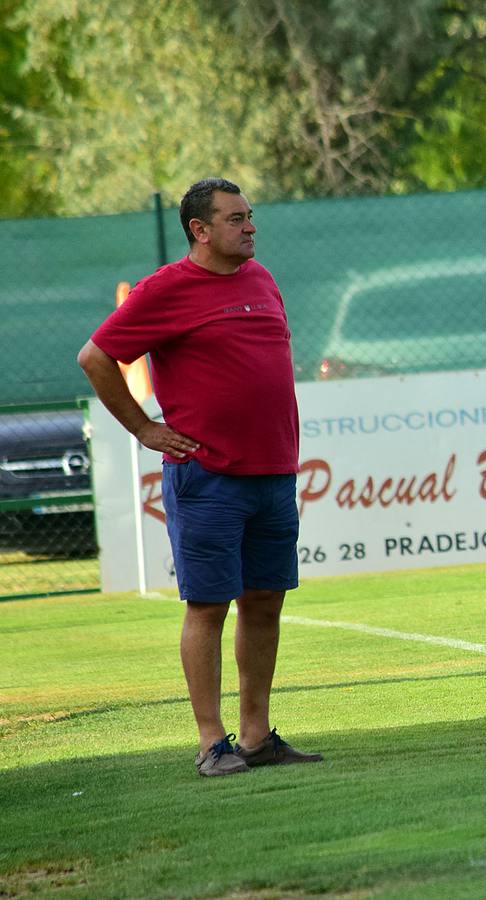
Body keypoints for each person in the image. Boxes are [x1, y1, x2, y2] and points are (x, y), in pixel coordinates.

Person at [79, 178, 322, 777]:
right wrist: (144, 429)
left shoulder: (262, 280)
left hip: (273, 473)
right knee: (209, 606)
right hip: (208, 475)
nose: (250, 226)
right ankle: (213, 742)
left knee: (265, 603)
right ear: (200, 229)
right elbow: (95, 357)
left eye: (250, 216)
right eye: (236, 218)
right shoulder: (166, 289)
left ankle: (258, 736)